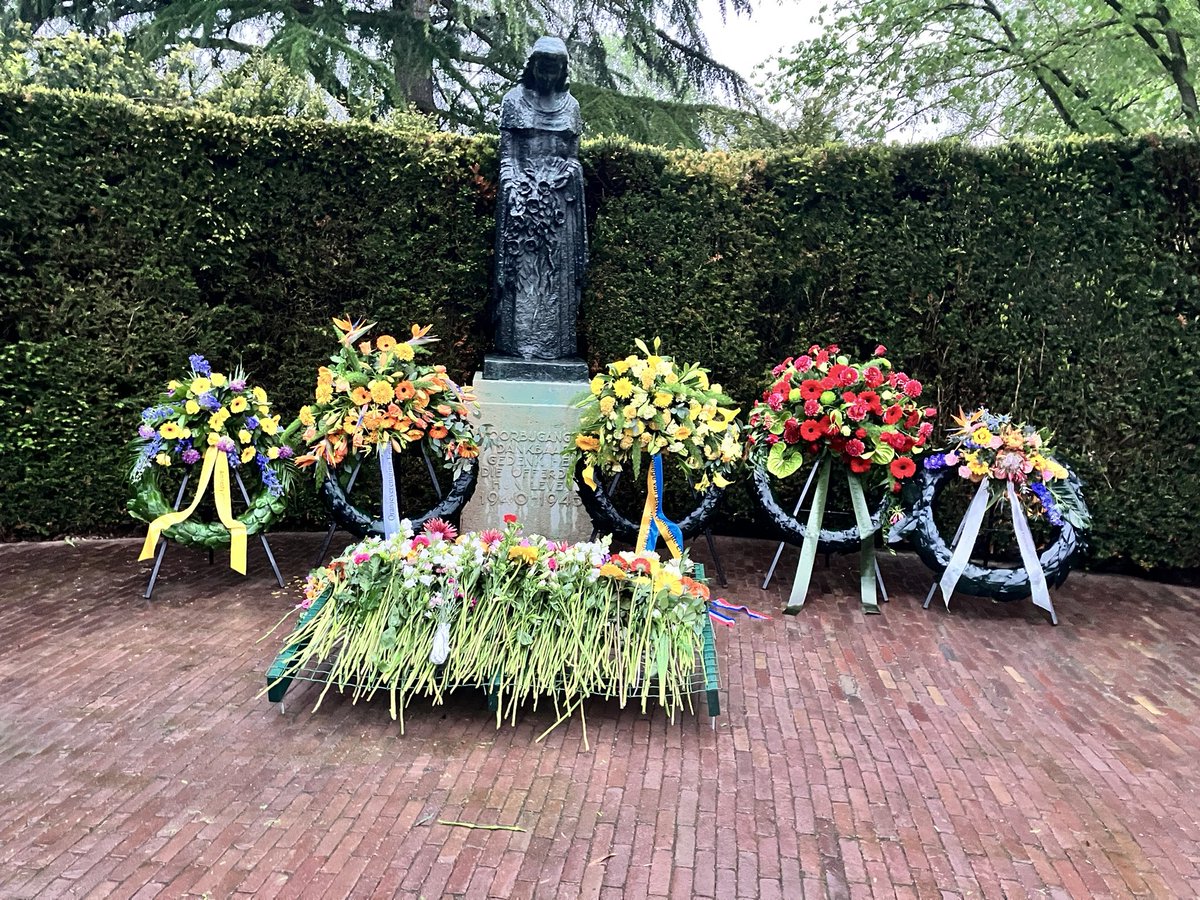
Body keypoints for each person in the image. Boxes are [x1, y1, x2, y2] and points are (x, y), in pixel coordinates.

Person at [493, 36, 587, 361]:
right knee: (521, 275)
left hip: (560, 206)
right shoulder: (513, 101)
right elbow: (507, 156)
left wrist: (564, 176)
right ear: (532, 66)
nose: (547, 74)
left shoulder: (571, 106)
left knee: (555, 276)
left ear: (563, 70)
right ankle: (516, 344)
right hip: (520, 199)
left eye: (554, 67)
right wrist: (515, 186)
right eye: (542, 66)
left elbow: (574, 158)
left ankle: (554, 346)